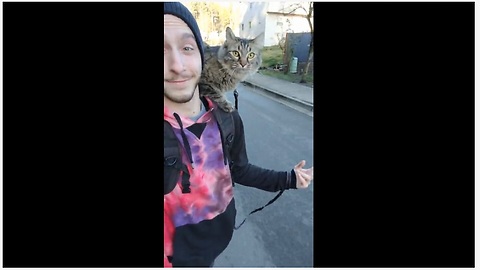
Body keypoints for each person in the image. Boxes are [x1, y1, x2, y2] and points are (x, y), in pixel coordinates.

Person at [163, 2, 314, 267]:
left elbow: (239, 169)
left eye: (187, 47)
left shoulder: (226, 117)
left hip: (213, 248)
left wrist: (289, 179)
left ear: (200, 54)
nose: (177, 65)